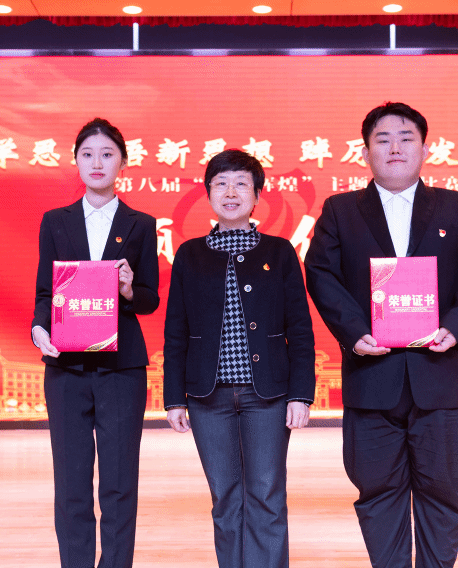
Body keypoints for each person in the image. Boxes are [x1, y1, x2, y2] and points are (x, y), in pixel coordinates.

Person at [304, 102, 458, 568]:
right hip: (372, 378)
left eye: (406, 138)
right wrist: (354, 332)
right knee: (377, 493)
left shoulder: (455, 207)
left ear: (425, 149)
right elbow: (320, 274)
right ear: (365, 152)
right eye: (383, 139)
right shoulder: (340, 211)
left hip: (440, 377)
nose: (395, 147)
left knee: (445, 493)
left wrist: (455, 327)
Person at [163, 149, 316, 568]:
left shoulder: (280, 252)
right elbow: (176, 331)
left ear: (257, 195)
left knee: (266, 495)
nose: (231, 192)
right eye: (221, 184)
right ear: (208, 194)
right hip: (207, 398)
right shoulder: (189, 254)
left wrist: (300, 394)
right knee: (224, 498)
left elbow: (300, 329)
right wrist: (174, 398)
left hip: (267, 396)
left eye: (241, 184)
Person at [31, 118, 160, 568]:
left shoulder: (141, 224)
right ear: (76, 161)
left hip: (121, 370)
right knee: (71, 482)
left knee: (120, 482)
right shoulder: (56, 221)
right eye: (87, 154)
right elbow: (45, 292)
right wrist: (39, 329)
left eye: (107, 154)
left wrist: (127, 289)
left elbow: (149, 298)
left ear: (123, 162)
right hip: (66, 368)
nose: (97, 162)